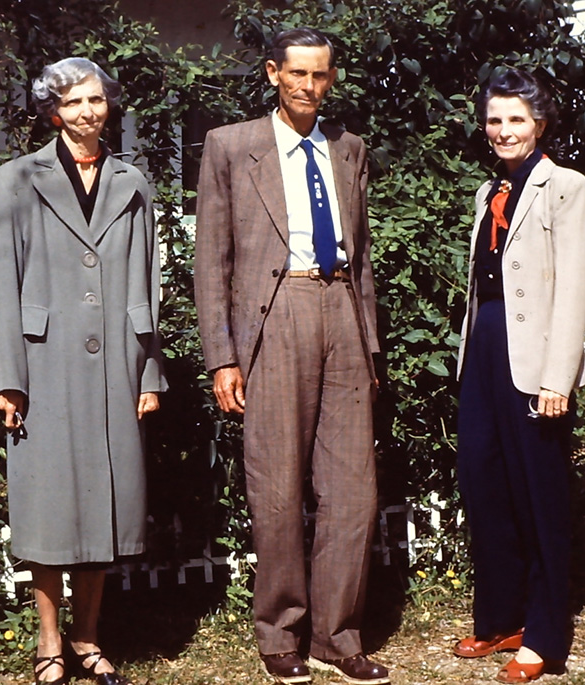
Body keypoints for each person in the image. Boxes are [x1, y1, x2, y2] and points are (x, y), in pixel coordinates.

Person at [194, 27, 389, 685]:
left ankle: (338, 634)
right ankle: (280, 631)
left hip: (341, 310)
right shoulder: (231, 146)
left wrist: (369, 342)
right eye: (298, 74)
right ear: (274, 73)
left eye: (322, 76)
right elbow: (211, 260)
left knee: (353, 489)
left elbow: (361, 261)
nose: (310, 87)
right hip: (274, 317)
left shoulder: (349, 149)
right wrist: (222, 355)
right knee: (276, 485)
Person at [0, 57, 167, 685]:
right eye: (73, 102)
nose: (87, 112)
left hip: (117, 361)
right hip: (42, 364)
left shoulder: (131, 182)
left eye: (96, 100)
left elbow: (149, 284)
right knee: (50, 509)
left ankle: (89, 641)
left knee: (105, 508)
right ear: (51, 110)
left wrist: (149, 375)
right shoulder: (12, 180)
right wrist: (6, 377)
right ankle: (49, 644)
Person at [454, 68, 585, 683]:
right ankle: (502, 618)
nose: (504, 129)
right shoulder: (490, 192)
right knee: (484, 486)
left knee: (539, 496)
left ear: (540, 123)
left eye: (516, 118)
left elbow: (571, 292)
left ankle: (544, 634)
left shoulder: (565, 187)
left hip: (535, 360)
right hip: (484, 352)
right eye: (494, 119)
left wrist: (557, 378)